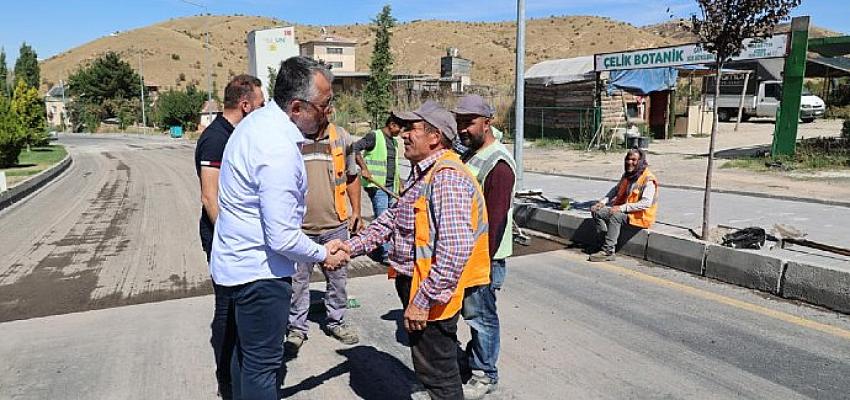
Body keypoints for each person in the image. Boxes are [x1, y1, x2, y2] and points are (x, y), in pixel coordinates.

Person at [209, 56, 349, 400]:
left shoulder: (257, 124)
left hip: (237, 266)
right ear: (298, 107)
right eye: (325, 104)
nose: (329, 112)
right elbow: (282, 236)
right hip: (260, 275)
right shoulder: (278, 150)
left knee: (246, 358)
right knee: (262, 367)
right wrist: (323, 253)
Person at [344, 100, 491, 400]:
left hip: (432, 293)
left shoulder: (446, 177)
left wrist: (422, 301)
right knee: (430, 367)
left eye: (412, 128)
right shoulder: (423, 172)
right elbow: (392, 218)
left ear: (435, 137)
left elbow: (454, 250)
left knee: (440, 378)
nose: (403, 135)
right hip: (421, 286)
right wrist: (348, 248)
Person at [193, 74, 263, 400]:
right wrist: (229, 238)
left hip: (233, 237)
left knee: (237, 306)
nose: (262, 111)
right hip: (221, 236)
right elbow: (210, 197)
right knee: (226, 307)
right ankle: (227, 381)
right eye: (260, 105)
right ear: (245, 104)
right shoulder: (216, 139)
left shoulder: (236, 134)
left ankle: (238, 369)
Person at [453, 95, 516, 400]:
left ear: (487, 123)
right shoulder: (472, 154)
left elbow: (495, 221)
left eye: (469, 122)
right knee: (473, 315)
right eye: (459, 122)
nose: (462, 128)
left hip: (484, 258)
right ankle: (474, 359)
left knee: (482, 318)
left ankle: (485, 374)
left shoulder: (498, 164)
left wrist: (481, 263)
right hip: (469, 255)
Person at [285, 110, 363, 355]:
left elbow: (352, 176)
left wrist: (356, 211)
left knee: (338, 279)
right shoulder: (291, 136)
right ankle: (296, 327)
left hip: (335, 225)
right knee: (298, 282)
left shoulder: (341, 137)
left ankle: (336, 320)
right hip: (300, 228)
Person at [589, 148, 659, 262]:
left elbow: (646, 203)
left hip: (640, 216)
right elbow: (616, 189)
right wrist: (602, 202)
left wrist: (621, 208)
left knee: (616, 216)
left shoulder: (648, 179)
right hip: (627, 211)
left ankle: (608, 251)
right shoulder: (628, 175)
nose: (629, 162)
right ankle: (602, 244)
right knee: (596, 212)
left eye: (634, 160)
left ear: (641, 161)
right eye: (627, 159)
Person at [352, 114, 403, 264]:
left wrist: (400, 183)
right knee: (383, 218)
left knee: (393, 219)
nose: (400, 132)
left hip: (390, 186)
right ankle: (385, 254)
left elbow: (394, 165)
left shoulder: (394, 142)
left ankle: (385, 248)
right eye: (399, 128)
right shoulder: (374, 136)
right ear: (392, 124)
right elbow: (354, 149)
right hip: (376, 185)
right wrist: (364, 168)